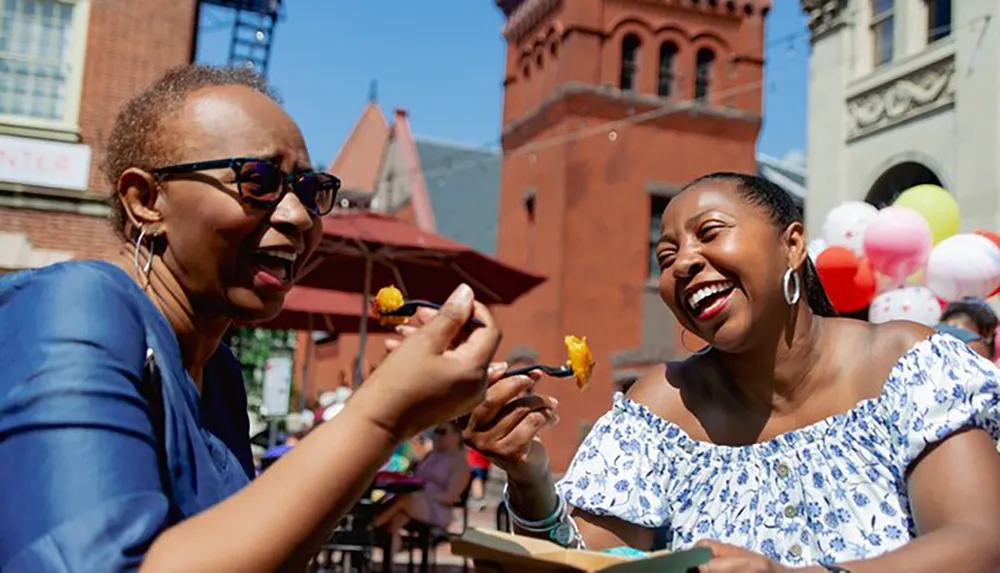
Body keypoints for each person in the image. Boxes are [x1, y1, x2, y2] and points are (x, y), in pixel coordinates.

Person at [0, 65, 521, 572]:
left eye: (311, 191)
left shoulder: (219, 374)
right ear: (146, 200)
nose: (298, 217)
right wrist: (383, 415)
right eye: (258, 180)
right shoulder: (74, 304)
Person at [388, 173, 1000, 572]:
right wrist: (528, 475)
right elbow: (586, 564)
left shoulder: (911, 365)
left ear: (791, 245)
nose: (685, 263)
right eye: (666, 255)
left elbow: (978, 542)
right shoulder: (662, 405)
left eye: (710, 233)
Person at [374, 422, 470, 555]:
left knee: (405, 499)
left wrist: (423, 496)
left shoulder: (460, 464)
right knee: (395, 523)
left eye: (442, 432)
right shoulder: (430, 455)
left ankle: (370, 526)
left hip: (437, 509)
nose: (437, 436)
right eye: (435, 432)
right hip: (415, 504)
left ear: (457, 435)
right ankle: (386, 563)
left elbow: (450, 497)